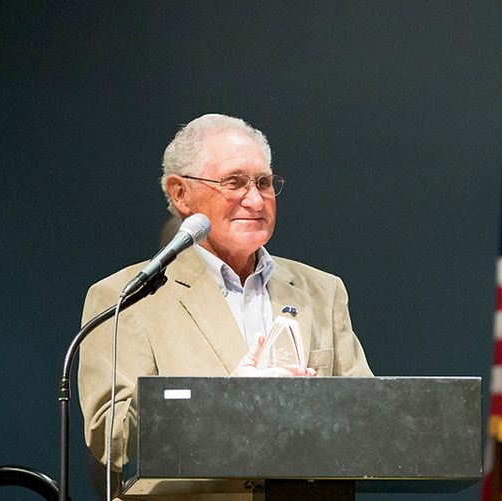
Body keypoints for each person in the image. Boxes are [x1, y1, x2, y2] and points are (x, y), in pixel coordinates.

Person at [77, 114, 373, 496]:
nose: (256, 200)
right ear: (180, 194)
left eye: (263, 183)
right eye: (234, 182)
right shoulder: (125, 298)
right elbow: (112, 438)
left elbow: (368, 419)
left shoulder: (324, 290)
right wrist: (225, 403)